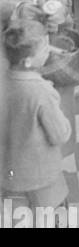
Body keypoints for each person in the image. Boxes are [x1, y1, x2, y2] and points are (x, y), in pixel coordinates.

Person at [1, 15, 72, 211]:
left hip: (9, 175)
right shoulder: (41, 91)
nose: (48, 51)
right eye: (44, 48)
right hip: (43, 178)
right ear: (27, 61)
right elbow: (60, 134)